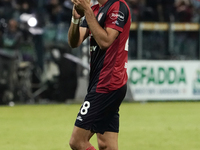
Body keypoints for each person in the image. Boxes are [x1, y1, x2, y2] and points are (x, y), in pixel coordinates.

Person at [67, 0, 131, 149]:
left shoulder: (118, 6)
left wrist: (87, 12)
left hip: (107, 83)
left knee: (77, 141)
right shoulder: (95, 9)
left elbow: (106, 41)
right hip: (102, 82)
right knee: (106, 145)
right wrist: (76, 19)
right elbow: (74, 42)